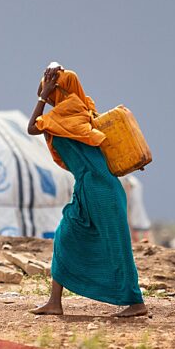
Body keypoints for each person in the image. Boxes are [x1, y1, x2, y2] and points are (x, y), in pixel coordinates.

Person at [26, 62, 147, 318]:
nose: (48, 97)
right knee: (65, 237)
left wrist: (42, 95)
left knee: (117, 245)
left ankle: (136, 302)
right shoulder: (81, 110)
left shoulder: (66, 113)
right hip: (87, 187)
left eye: (51, 90)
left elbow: (32, 128)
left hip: (100, 189)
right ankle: (54, 302)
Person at [122, 174, 155, 243]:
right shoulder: (131, 180)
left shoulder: (128, 180)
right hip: (136, 218)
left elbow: (128, 200)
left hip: (135, 219)